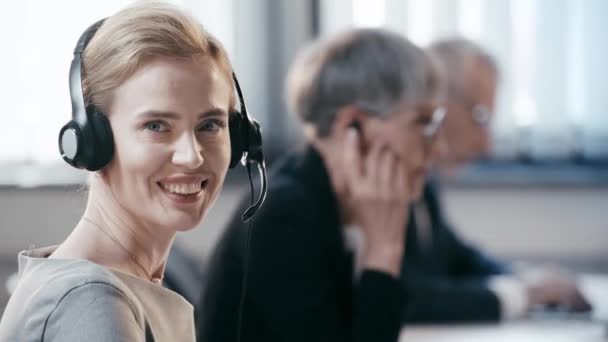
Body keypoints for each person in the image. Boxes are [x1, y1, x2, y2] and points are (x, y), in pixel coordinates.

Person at [0, 2, 262, 340]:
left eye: (210, 124)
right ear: (93, 142)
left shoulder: (113, 286)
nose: (191, 156)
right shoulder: (92, 304)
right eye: (156, 125)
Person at [197, 29, 446, 342]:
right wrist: (384, 251)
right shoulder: (283, 215)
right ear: (351, 125)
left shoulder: (351, 202)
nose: (437, 149)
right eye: (424, 123)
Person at [397, 37, 591, 323]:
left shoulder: (424, 182)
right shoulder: (380, 183)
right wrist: (522, 294)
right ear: (437, 99)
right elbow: (407, 297)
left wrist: (525, 278)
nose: (487, 145)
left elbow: (456, 257)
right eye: (480, 117)